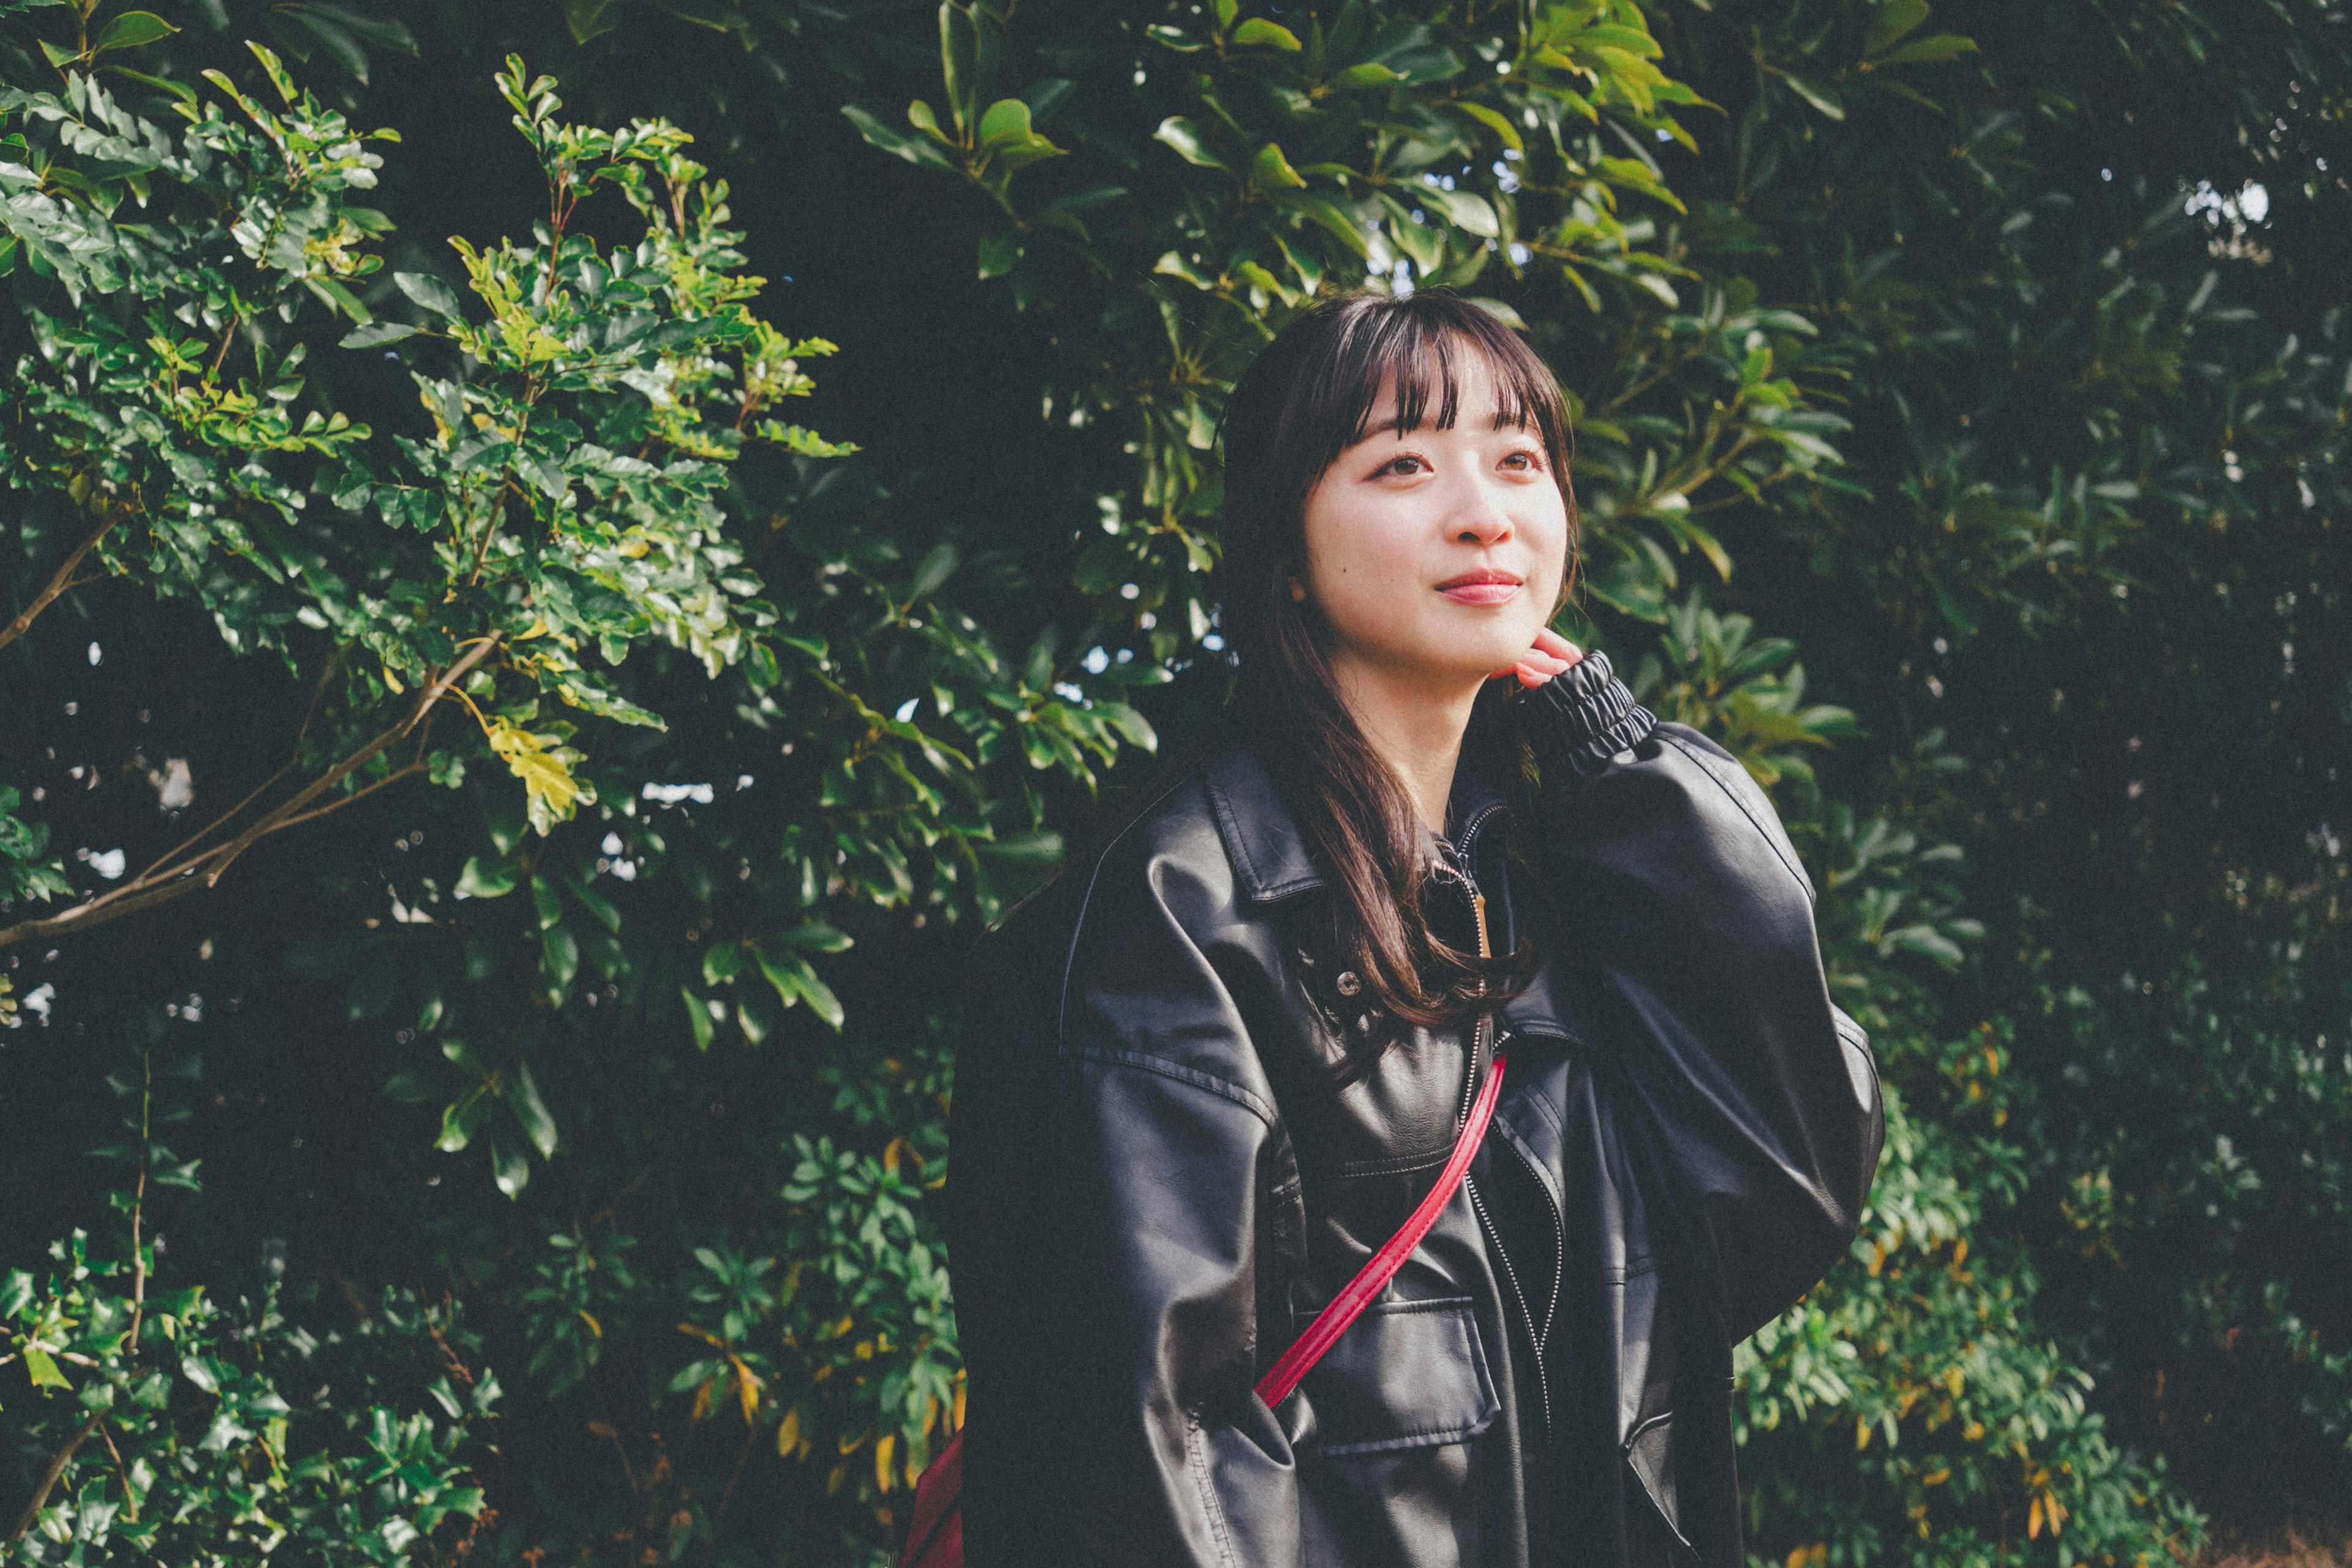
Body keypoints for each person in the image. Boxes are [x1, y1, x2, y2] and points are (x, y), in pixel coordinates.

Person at [944, 291, 1885, 1568]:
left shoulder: (1536, 891)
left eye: (1517, 459)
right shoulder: (1176, 919)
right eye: (1402, 463)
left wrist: (1621, 770)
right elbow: (1132, 1449)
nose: (1484, 509)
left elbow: (1778, 1180)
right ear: (1282, 543)